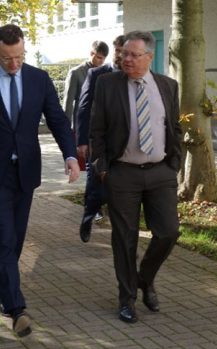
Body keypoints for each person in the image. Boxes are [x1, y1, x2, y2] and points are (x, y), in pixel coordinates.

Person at [0, 24, 80, 338]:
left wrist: (70, 154)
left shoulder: (38, 78)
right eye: (8, 58)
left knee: (16, 239)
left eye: (19, 57)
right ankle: (17, 308)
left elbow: (57, 119)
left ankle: (0, 291)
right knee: (5, 239)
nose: (14, 64)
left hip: (25, 172)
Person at [88, 31, 182, 324]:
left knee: (168, 232)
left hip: (160, 172)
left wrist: (175, 164)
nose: (125, 59)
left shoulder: (168, 86)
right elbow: (97, 130)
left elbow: (174, 128)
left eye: (133, 55)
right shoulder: (107, 84)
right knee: (124, 239)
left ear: (149, 57)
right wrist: (103, 169)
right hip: (123, 174)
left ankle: (145, 278)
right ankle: (127, 298)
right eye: (124, 54)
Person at [76, 35, 126, 242]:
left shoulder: (134, 76)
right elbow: (84, 107)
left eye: (126, 51)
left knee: (121, 189)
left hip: (124, 144)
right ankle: (88, 218)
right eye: (118, 50)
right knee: (95, 185)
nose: (121, 55)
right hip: (99, 141)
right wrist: (82, 141)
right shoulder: (96, 74)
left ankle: (121, 231)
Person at [64, 41, 108, 137]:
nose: (101, 61)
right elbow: (68, 102)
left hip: (99, 126)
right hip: (80, 125)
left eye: (104, 59)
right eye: (99, 57)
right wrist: (66, 128)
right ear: (91, 53)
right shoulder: (75, 73)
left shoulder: (105, 73)